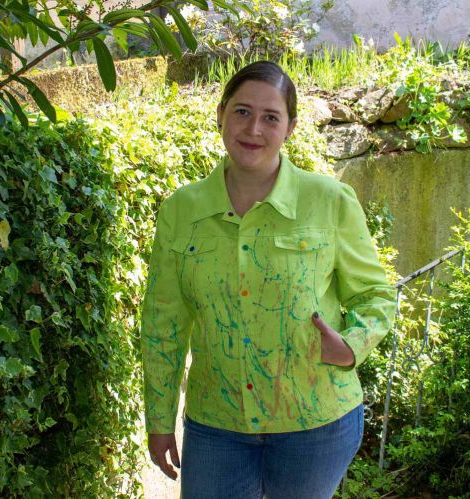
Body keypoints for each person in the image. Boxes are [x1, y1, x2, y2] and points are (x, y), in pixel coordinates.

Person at [141, 61, 397, 499]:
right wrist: (160, 420)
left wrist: (352, 344)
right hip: (217, 425)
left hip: (315, 423)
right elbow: (163, 322)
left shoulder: (329, 201)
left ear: (290, 127)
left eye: (271, 117)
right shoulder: (181, 211)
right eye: (241, 111)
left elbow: (375, 294)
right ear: (220, 114)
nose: (253, 129)